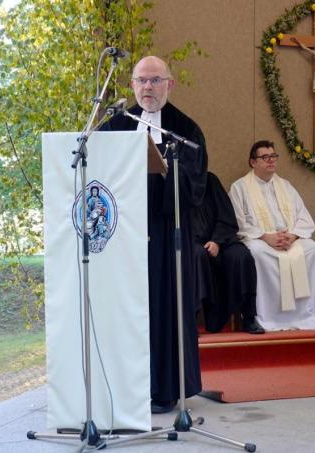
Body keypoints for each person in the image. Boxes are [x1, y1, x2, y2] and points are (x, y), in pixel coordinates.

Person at [99, 56, 207, 414]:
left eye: (155, 81)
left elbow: (196, 186)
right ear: (132, 85)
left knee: (163, 308)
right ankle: (121, 387)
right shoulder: (115, 125)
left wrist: (165, 167)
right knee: (126, 310)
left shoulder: (186, 130)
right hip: (123, 237)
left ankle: (164, 390)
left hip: (165, 235)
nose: (147, 88)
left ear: (169, 85)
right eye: (141, 81)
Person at [229, 140, 315, 331]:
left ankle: (303, 316)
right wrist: (266, 237)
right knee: (257, 253)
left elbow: (304, 218)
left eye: (273, 156)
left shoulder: (286, 186)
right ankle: (268, 317)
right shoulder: (239, 187)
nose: (271, 161)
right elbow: (238, 222)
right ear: (252, 162)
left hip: (288, 240)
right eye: (264, 157)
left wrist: (293, 236)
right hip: (261, 240)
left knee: (313, 250)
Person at [192, 172, 264, 334]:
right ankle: (191, 320)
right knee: (196, 255)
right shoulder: (176, 182)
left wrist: (217, 240)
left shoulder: (210, 180)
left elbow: (226, 216)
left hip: (220, 241)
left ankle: (249, 317)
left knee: (241, 255)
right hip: (192, 243)